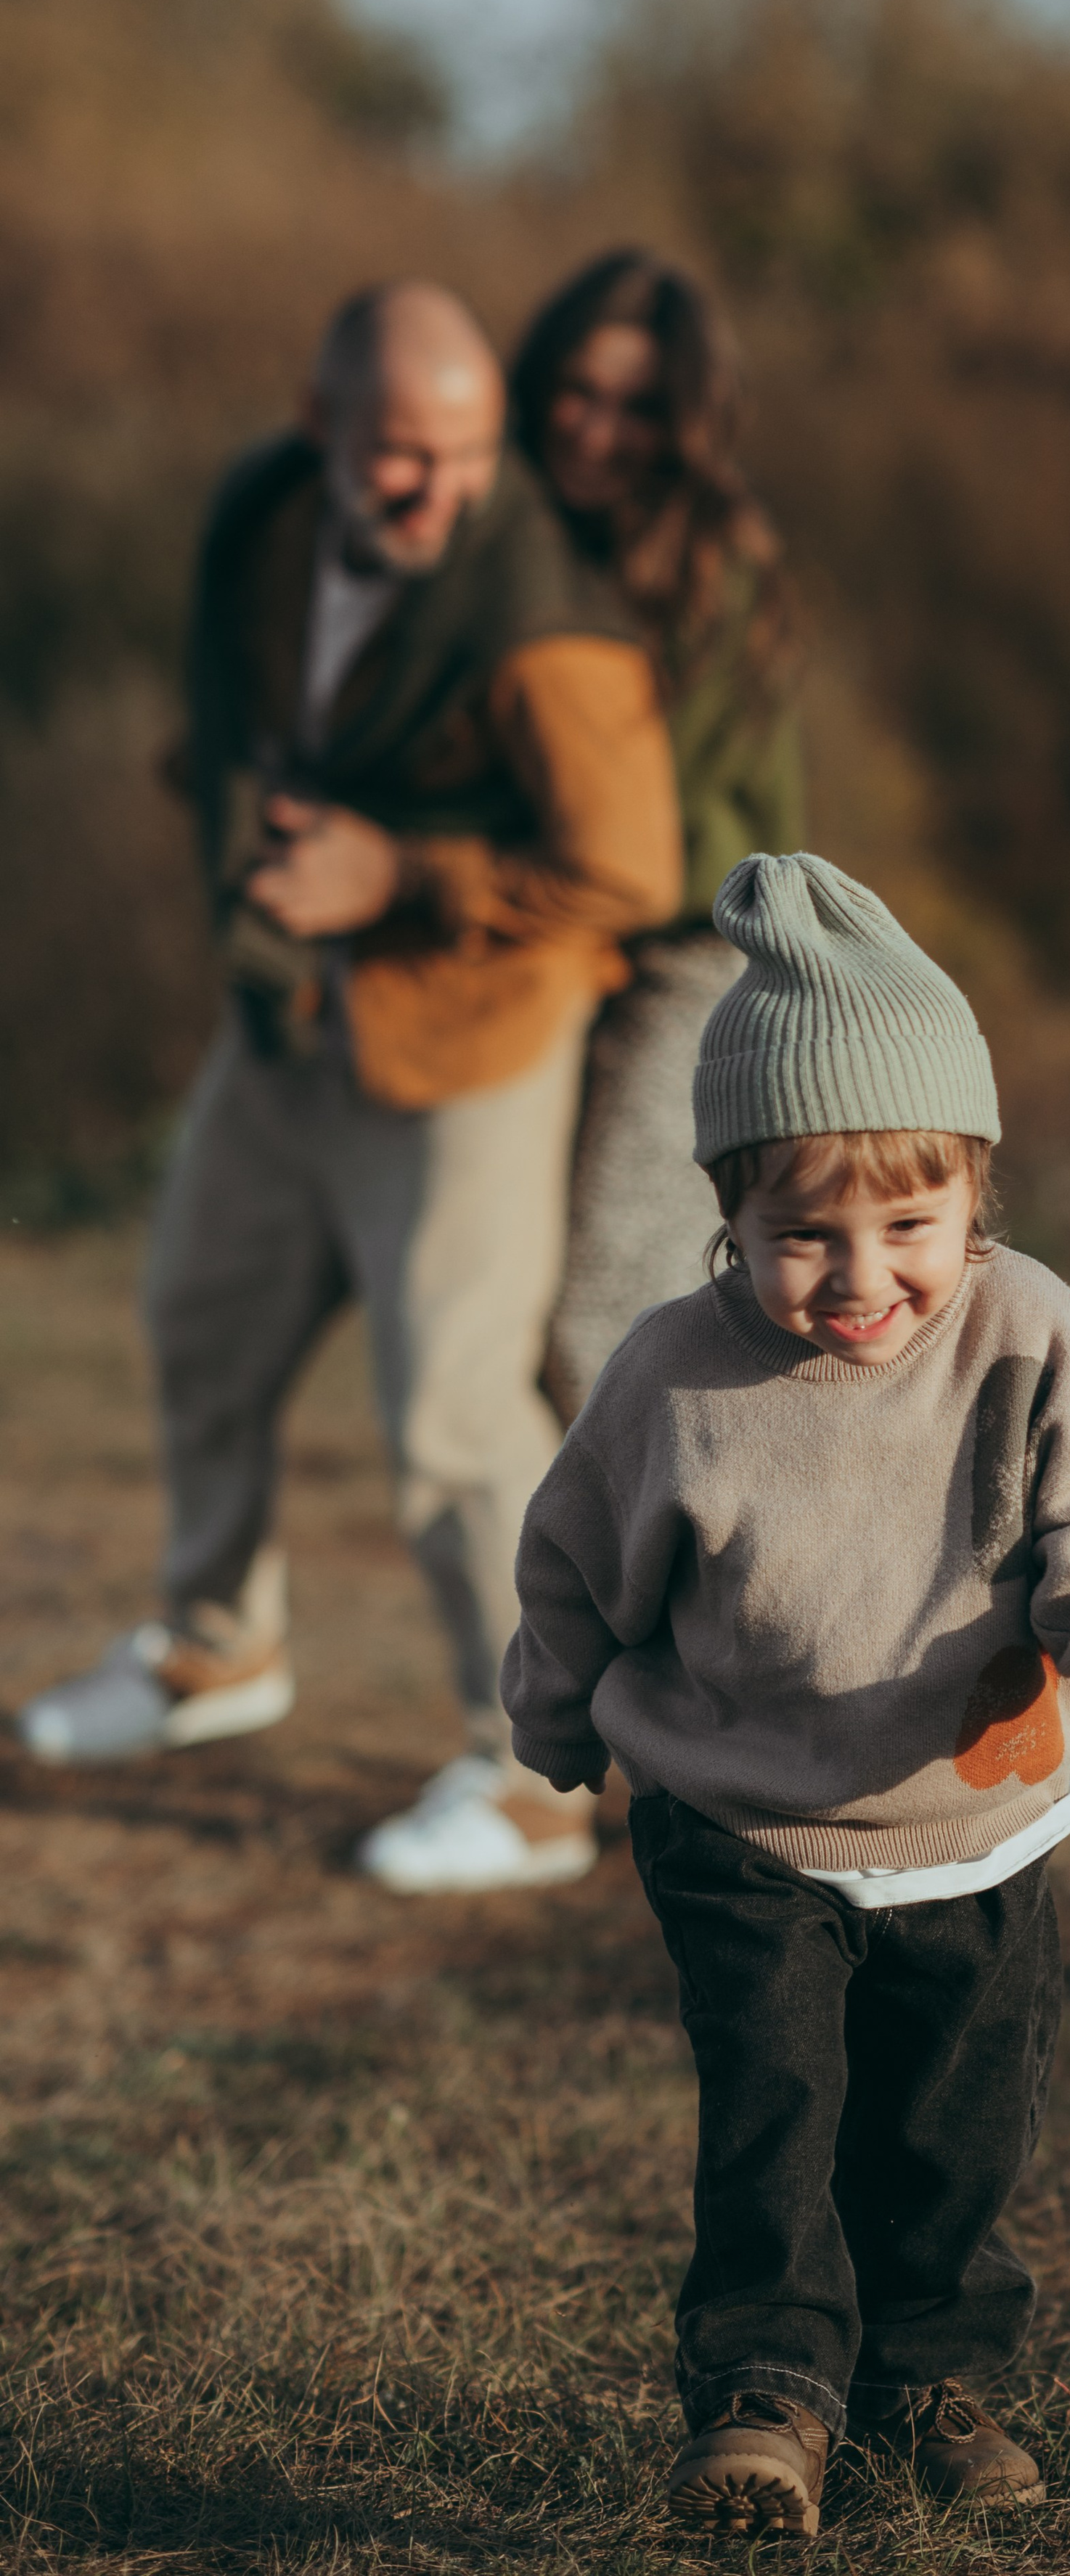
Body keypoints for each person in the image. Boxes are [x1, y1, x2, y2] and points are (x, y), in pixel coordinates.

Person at [502, 852, 1070, 2537]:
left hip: (970, 1825)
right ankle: (765, 2396)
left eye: (909, 1225)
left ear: (976, 1197)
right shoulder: (674, 1371)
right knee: (775, 2119)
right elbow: (573, 1557)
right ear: (727, 1216)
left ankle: (931, 2374)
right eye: (799, 1233)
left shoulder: (1028, 1332)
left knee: (951, 2130)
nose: (859, 1274)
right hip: (739, 1820)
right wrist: (548, 1712)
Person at [17, 281, 685, 1897]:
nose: (434, 493)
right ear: (319, 430)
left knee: (453, 1411)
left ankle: (538, 1776)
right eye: (398, 456)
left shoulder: (547, 616)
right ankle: (214, 1645)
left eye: (464, 457)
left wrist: (399, 868)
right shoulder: (259, 519)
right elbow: (263, 697)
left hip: (469, 1043)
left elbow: (630, 864)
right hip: (286, 1019)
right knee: (196, 1314)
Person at [505, 249, 806, 1415]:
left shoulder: (715, 566)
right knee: (504, 1314)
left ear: (686, 421)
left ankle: (669, 1586)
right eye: (575, 392)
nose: (595, 428)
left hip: (694, 950)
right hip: (560, 943)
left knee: (606, 1315)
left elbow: (646, 837)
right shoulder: (514, 545)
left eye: (637, 406)